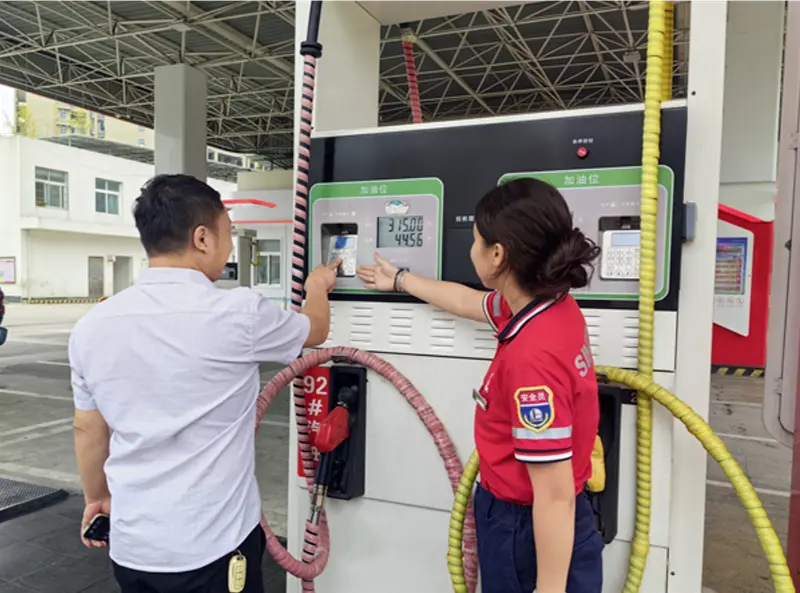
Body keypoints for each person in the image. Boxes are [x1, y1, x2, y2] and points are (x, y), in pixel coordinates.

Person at [70, 174, 339, 593]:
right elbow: (315, 329)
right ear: (202, 238)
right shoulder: (240, 314)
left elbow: (88, 427)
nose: (230, 245)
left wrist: (96, 498)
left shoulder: (92, 326)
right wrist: (317, 285)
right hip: (215, 548)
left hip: (133, 547)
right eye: (228, 233)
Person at [357, 177, 604, 593]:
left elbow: (554, 495)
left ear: (497, 254)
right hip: (545, 521)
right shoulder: (550, 305)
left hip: (528, 531)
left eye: (475, 240)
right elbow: (468, 301)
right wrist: (400, 279)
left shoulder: (532, 355)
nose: (471, 249)